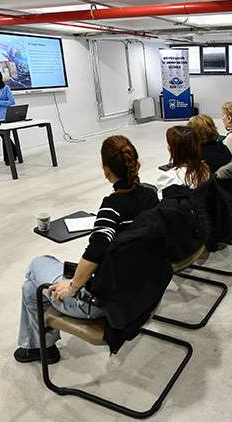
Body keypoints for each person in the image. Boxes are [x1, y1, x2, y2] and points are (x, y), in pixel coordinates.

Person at [14, 136, 159, 364]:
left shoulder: (111, 207)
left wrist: (72, 287)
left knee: (37, 265)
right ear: (136, 164)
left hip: (103, 304)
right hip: (142, 290)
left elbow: (96, 251)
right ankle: (40, 346)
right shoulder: (151, 197)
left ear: (106, 171)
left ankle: (42, 348)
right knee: (31, 288)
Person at [156, 126, 212, 196]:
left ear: (174, 149)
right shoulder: (205, 169)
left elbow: (163, 200)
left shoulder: (170, 177)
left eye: (169, 144)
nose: (168, 147)